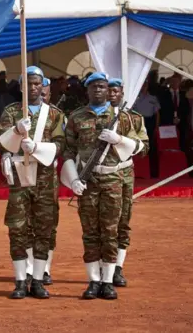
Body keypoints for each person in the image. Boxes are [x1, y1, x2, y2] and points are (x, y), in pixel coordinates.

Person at [60, 72, 148, 300]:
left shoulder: (124, 118)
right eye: (94, 87)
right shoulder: (76, 117)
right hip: (87, 181)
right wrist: (73, 180)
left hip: (113, 179)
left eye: (102, 86)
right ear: (87, 90)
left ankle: (108, 281)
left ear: (109, 90)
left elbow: (142, 147)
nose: (98, 90)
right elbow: (68, 150)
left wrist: (119, 140)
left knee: (110, 231)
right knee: (90, 232)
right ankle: (93, 281)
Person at [0, 66, 65, 299]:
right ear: (21, 86)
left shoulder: (55, 114)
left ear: (43, 85)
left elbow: (61, 144)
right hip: (19, 176)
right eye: (29, 83)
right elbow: (3, 143)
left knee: (44, 228)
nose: (33, 87)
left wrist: (38, 148)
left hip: (45, 178)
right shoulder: (11, 112)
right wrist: (17, 131)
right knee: (17, 228)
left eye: (37, 83)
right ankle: (20, 280)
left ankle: (38, 279)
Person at [107, 78, 148, 287]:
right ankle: (103, 268)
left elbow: (144, 147)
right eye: (109, 91)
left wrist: (122, 141)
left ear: (122, 93)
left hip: (124, 175)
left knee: (123, 221)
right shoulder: (96, 117)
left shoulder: (134, 119)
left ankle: (118, 268)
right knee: (102, 224)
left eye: (116, 91)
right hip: (101, 175)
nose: (113, 94)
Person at [133, 80, 160, 177]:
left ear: (148, 86)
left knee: (151, 146)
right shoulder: (135, 97)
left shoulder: (153, 98)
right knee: (138, 145)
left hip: (150, 122)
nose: (144, 86)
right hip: (138, 121)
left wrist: (156, 127)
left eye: (145, 85)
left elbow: (157, 114)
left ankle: (152, 171)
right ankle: (139, 170)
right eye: (142, 84)